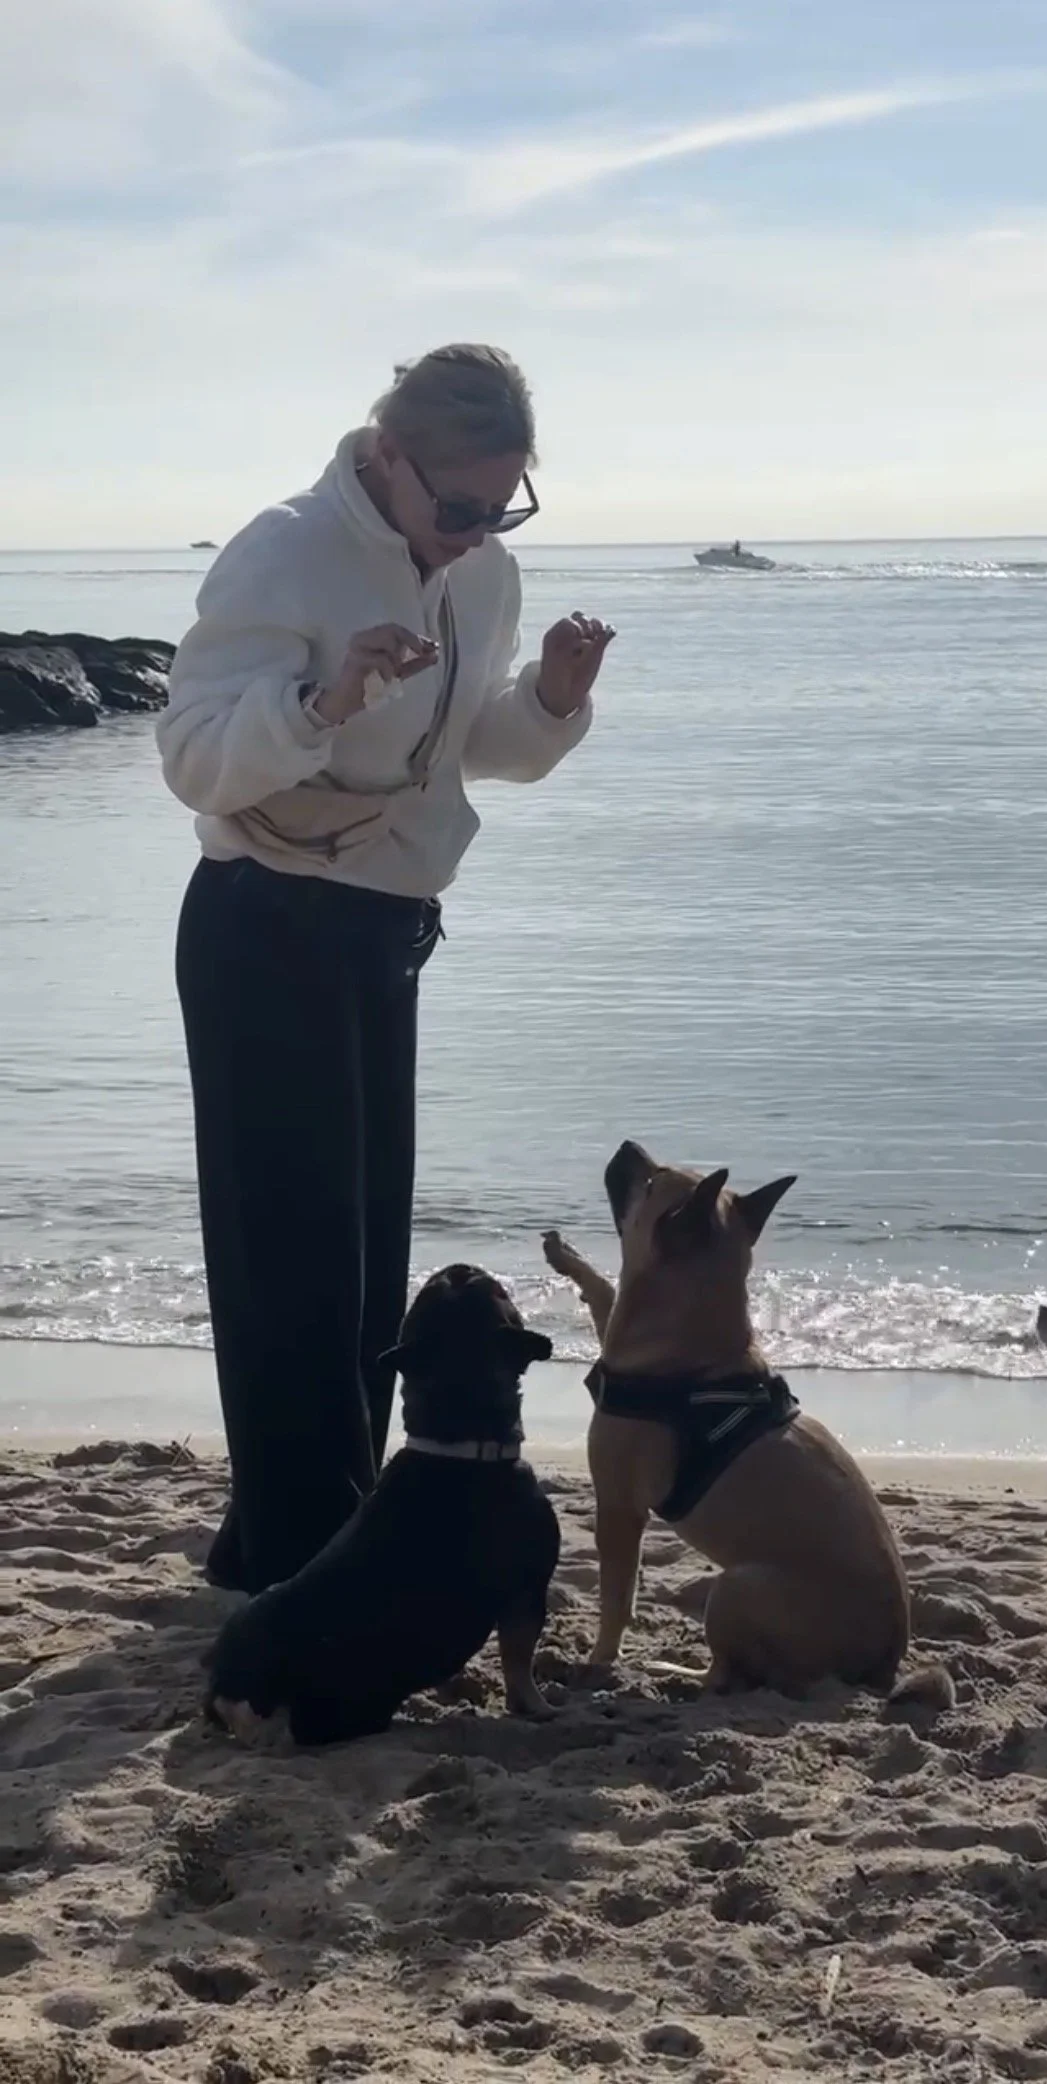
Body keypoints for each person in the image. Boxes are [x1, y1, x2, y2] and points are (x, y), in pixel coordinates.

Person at [158, 343, 614, 1595]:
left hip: (383, 926)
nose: (477, 531)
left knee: (361, 1272)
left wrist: (555, 701)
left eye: (503, 505)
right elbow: (193, 759)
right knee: (286, 1269)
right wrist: (320, 696)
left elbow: (481, 752)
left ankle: (295, 1543)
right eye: (458, 505)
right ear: (388, 456)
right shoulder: (287, 548)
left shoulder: (485, 575)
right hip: (265, 919)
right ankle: (302, 1559)